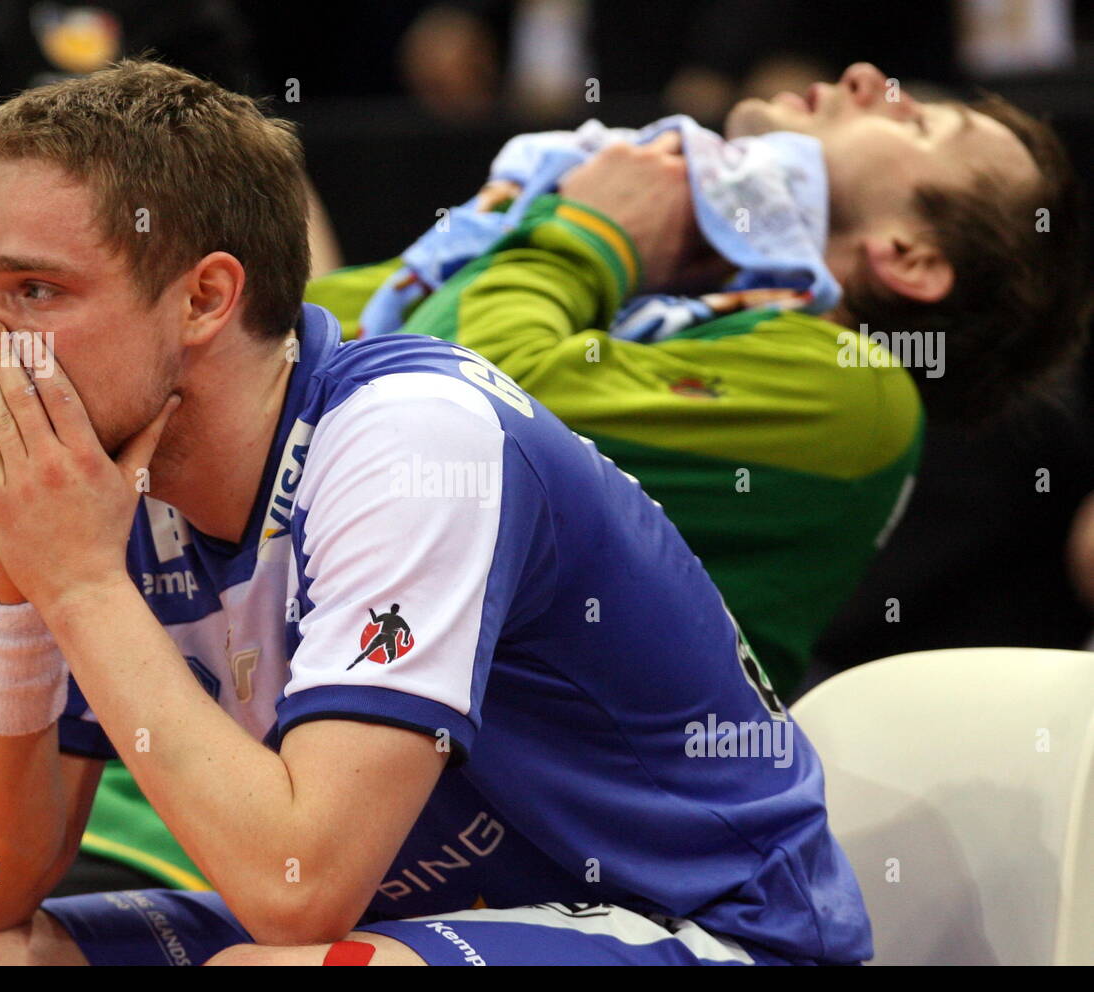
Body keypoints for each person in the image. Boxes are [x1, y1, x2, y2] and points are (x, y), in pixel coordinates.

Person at [0, 59, 868, 966]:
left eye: (36, 292)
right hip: (429, 922)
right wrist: (15, 598)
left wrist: (80, 584)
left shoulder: (412, 438)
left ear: (204, 299)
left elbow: (294, 886)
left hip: (706, 929)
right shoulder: (103, 484)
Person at [308, 61, 1089, 698]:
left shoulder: (855, 391)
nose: (865, 78)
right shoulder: (673, 298)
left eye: (915, 121)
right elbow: (300, 336)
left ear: (909, 256)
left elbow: (443, 407)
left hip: (564, 861)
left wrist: (592, 233)